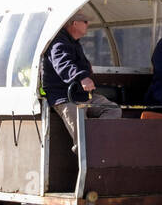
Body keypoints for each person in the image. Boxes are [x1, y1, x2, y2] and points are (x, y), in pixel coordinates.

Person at [43, 14, 123, 153]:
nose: (88, 25)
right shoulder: (58, 43)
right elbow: (63, 65)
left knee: (113, 109)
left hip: (82, 95)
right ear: (74, 23)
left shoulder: (74, 42)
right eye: (85, 22)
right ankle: (85, 150)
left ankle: (94, 138)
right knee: (83, 138)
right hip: (65, 98)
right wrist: (82, 78)